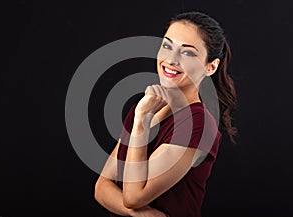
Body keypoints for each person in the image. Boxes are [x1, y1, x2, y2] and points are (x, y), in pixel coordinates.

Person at [94, 11, 238, 217]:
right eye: (167, 46)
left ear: (210, 67)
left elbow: (134, 196)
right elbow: (102, 188)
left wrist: (141, 125)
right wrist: (142, 215)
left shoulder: (199, 124)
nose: (171, 59)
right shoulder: (144, 106)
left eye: (188, 53)